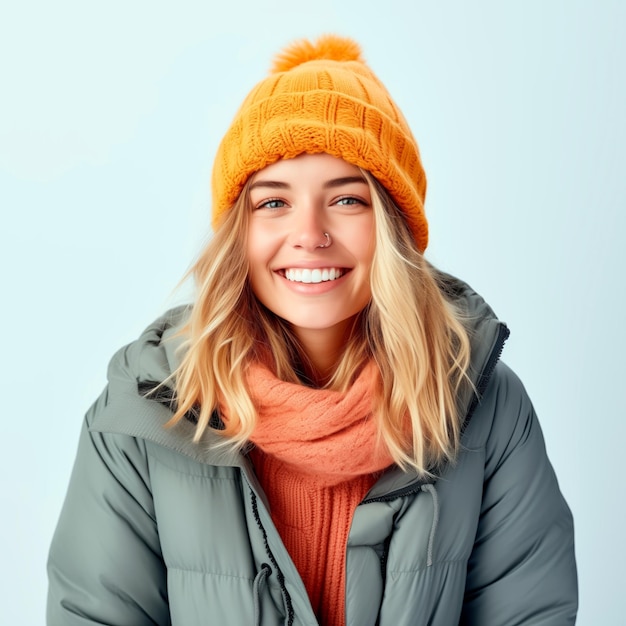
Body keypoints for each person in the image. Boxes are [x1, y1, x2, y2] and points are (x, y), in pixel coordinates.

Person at [47, 35, 578, 625]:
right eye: (273, 203)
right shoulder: (146, 410)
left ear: (393, 228)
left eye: (347, 200)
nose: (310, 233)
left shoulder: (485, 406)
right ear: (238, 234)